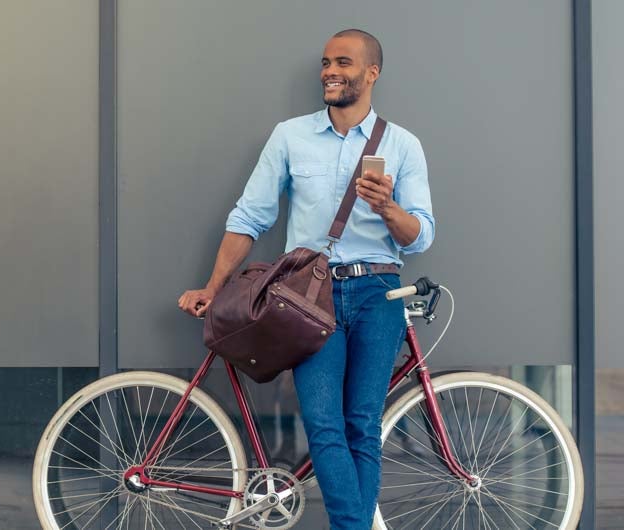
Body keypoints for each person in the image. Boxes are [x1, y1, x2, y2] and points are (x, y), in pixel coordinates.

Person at [178, 29, 435, 529]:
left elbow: (420, 236)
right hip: (307, 295)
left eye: (343, 62)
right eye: (325, 63)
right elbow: (249, 218)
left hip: (379, 291)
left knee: (362, 424)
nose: (329, 71)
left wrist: (386, 208)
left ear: (372, 73)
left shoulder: (403, 144)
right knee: (323, 423)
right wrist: (212, 287)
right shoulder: (290, 136)